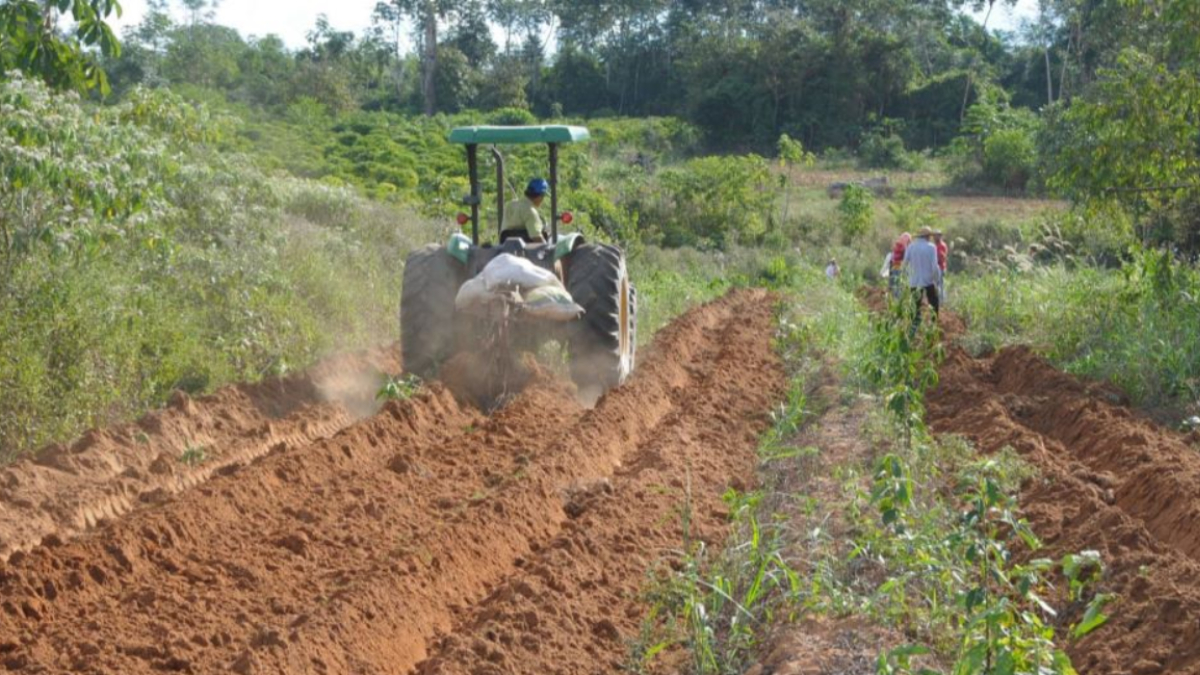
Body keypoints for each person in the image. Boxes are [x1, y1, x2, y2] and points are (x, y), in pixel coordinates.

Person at [904, 226, 941, 324]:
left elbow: (905, 263)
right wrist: (936, 281)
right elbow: (934, 267)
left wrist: (907, 276)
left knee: (915, 305)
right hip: (928, 280)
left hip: (914, 281)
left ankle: (914, 324)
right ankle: (934, 322)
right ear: (928, 236)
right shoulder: (931, 247)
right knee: (934, 302)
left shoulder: (911, 246)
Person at [501, 178, 550, 243]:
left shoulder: (510, 205)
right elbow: (537, 237)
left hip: (505, 248)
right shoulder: (531, 211)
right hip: (527, 251)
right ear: (540, 196)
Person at [889, 232, 911, 299]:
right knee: (900, 287)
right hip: (901, 268)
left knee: (895, 286)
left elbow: (892, 260)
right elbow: (906, 260)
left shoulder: (896, 247)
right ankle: (898, 301)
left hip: (894, 268)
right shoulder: (905, 247)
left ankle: (894, 300)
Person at [934, 229, 948, 304]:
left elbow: (942, 257)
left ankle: (942, 301)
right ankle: (940, 300)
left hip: (941, 267)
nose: (935, 237)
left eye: (936, 235)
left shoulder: (941, 245)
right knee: (938, 284)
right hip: (937, 267)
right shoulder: (936, 245)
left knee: (940, 284)